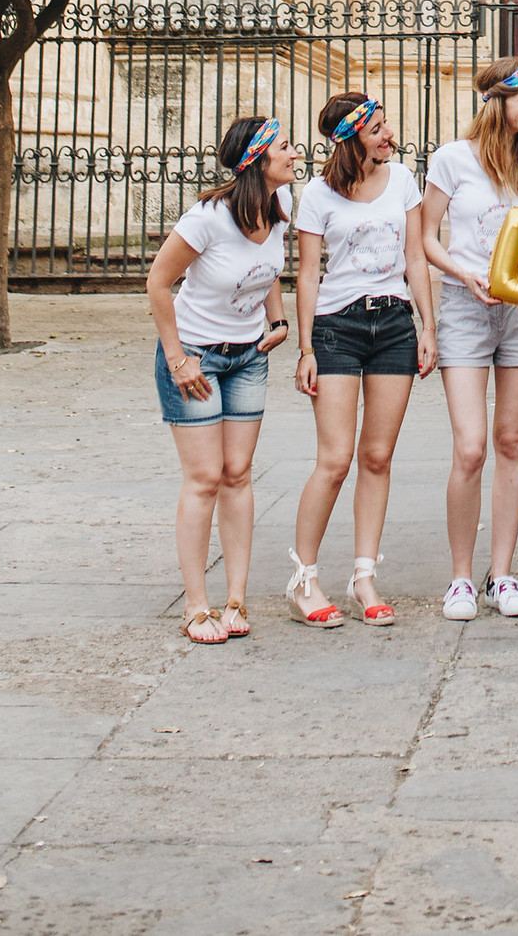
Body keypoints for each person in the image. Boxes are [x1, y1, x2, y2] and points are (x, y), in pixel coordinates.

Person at [420, 57, 518, 620]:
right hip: (464, 307)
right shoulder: (452, 160)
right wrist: (465, 275)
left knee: (511, 443)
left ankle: (501, 574)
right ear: (497, 102)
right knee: (471, 446)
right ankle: (460, 576)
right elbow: (427, 237)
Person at [285, 91, 437, 628]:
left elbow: (416, 257)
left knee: (378, 456)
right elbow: (306, 274)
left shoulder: (401, 181)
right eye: (377, 129)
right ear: (350, 138)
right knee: (335, 460)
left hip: (394, 324)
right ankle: (304, 578)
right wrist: (304, 347)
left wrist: (428, 328)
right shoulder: (317, 195)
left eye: (386, 125)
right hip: (337, 328)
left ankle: (364, 575)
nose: (388, 135)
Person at [144, 112, 295, 644]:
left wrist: (277, 320)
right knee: (205, 477)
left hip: (249, 356)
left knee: (238, 473)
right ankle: (195, 605)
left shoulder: (281, 206)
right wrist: (179, 358)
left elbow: (267, 272)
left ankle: (235, 598)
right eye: (285, 148)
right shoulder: (206, 218)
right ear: (257, 159)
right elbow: (158, 284)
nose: (295, 153)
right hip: (197, 357)